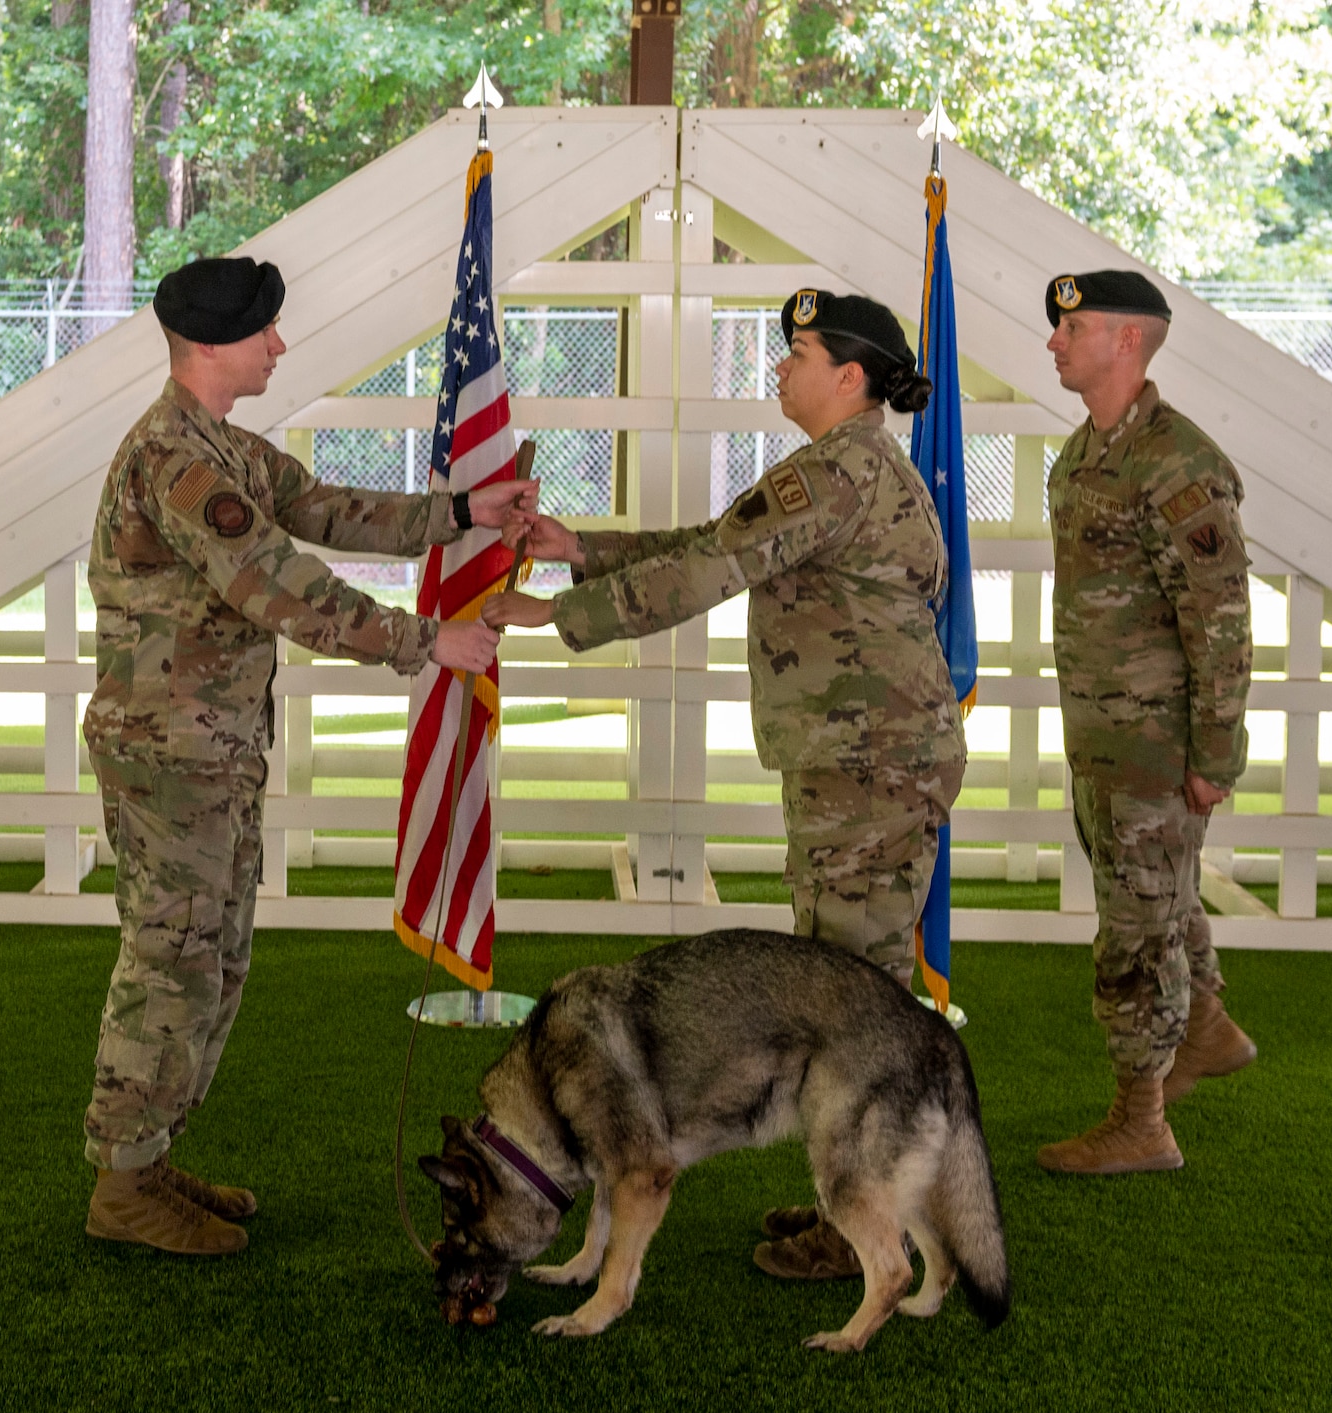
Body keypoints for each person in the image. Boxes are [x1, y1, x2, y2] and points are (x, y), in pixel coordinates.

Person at [486, 289, 964, 1280]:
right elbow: (720, 545)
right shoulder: (845, 469)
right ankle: (859, 1180)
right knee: (841, 978)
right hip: (861, 760)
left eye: (796, 352)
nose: (777, 369)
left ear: (850, 375)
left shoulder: (834, 474)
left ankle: (861, 1219)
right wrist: (584, 554)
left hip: (865, 765)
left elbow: (712, 567)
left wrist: (558, 618)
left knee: (856, 995)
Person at [81, 256, 535, 1254]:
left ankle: (147, 1157)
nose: (278, 345)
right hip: (173, 758)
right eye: (263, 331)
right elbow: (278, 583)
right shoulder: (180, 464)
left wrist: (466, 514)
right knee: (172, 965)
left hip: (206, 751)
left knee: (211, 957)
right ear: (209, 343)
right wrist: (428, 643)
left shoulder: (226, 451)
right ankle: (122, 1183)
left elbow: (329, 509)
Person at [1034, 269, 1259, 1177]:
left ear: (1127, 339)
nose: (1054, 340)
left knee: (1135, 928)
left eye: (1072, 326)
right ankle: (1206, 1027)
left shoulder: (1178, 462)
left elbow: (1224, 624)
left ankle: (1142, 1119)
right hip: (1106, 742)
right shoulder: (1085, 452)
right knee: (1157, 900)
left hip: (1157, 751)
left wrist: (1214, 756)